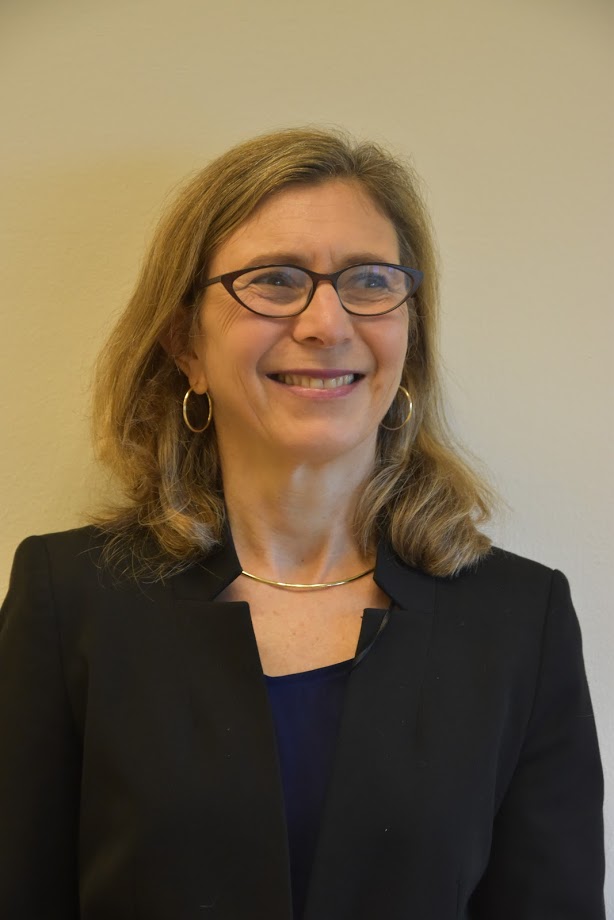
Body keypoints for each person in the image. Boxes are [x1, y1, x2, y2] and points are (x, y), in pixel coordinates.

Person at [0, 127, 605, 920]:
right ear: (186, 345)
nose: (327, 323)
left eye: (370, 281)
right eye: (276, 281)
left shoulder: (521, 620)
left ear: (408, 333)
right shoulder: (70, 599)